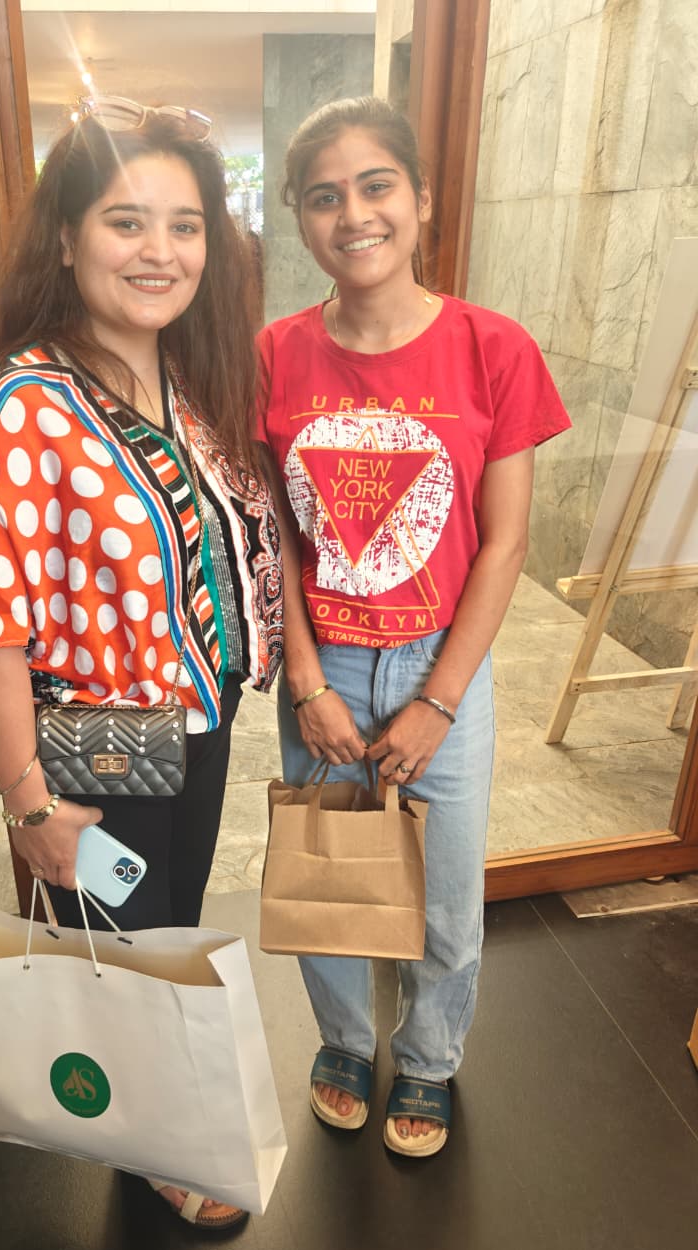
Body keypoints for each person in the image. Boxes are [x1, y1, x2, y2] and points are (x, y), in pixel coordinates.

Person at [0, 97, 282, 1226]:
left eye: (185, 226)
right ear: (68, 237)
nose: (159, 251)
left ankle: (165, 1117)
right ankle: (155, 1147)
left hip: (198, 721)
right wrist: (30, 804)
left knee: (166, 925)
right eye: (127, 222)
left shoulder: (184, 380)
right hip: (98, 741)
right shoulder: (23, 405)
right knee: (126, 948)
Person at [257, 96, 570, 1156]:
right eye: (324, 196)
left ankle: (430, 1057)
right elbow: (275, 541)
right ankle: (345, 1040)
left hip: (445, 664)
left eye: (376, 185)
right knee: (331, 871)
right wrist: (307, 680)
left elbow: (505, 543)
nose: (354, 215)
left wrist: (439, 699)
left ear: (422, 199)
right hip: (327, 665)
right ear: (301, 218)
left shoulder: (495, 347)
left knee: (445, 889)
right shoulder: (273, 355)